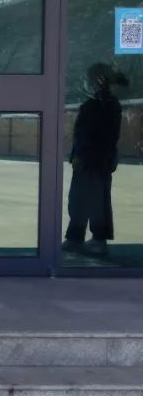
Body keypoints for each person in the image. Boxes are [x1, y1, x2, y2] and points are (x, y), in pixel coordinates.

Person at [63, 63, 126, 257]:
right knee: (79, 199)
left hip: (95, 160)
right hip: (89, 159)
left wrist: (82, 155)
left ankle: (98, 239)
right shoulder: (97, 104)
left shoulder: (105, 105)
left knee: (97, 201)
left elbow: (101, 136)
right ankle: (76, 237)